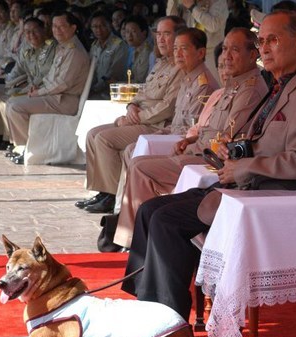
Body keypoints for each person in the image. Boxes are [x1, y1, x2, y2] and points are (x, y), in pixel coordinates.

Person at [120, 10, 296, 323]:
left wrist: (245, 167)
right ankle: (151, 306)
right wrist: (235, 153)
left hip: (269, 195)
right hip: (244, 186)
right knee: (149, 210)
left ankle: (168, 321)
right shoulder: (282, 85)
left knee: (165, 220)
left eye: (272, 40)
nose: (264, 48)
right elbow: (265, 140)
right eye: (261, 41)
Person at [113, 27, 268, 247]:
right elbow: (209, 127)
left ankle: (135, 240)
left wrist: (195, 146)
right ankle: (145, 237)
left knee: (140, 167)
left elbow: (229, 137)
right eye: (224, 49)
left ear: (253, 55)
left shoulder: (249, 89)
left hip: (212, 161)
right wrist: (191, 141)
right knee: (138, 162)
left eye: (235, 50)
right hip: (199, 150)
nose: (227, 56)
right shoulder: (235, 85)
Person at [77, 21, 216, 214]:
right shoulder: (164, 64)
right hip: (153, 122)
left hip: (156, 124)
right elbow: (143, 91)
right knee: (93, 133)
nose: (160, 39)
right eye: (158, 34)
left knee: (105, 140)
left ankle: (117, 198)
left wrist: (137, 117)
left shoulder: (188, 73)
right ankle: (108, 193)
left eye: (166, 34)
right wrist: (131, 105)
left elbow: (168, 109)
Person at [5, 11, 90, 164]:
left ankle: (27, 148)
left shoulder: (74, 51)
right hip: (55, 96)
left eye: (61, 26)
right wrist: (38, 89)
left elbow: (62, 83)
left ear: (73, 28)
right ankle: (23, 147)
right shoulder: (63, 47)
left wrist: (39, 92)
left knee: (15, 107)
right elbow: (51, 77)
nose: (56, 30)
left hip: (65, 100)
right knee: (11, 102)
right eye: (54, 26)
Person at [0, 17, 56, 149]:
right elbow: (17, 70)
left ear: (43, 30)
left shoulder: (50, 49)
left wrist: (20, 88)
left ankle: (11, 141)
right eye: (27, 32)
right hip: (24, 87)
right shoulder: (27, 49)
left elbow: (43, 77)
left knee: (8, 99)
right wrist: (10, 84)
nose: (31, 35)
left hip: (39, 90)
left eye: (35, 31)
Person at [167, 0, 228, 80]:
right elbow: (172, 22)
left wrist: (192, 7)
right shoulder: (184, 3)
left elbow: (214, 25)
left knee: (210, 86)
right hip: (189, 53)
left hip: (210, 54)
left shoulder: (218, 2)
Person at [88, 11, 128, 100]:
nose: (98, 29)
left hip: (111, 93)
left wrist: (94, 89)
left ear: (109, 25)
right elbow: (91, 71)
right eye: (95, 26)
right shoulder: (94, 46)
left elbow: (113, 73)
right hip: (94, 92)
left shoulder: (119, 45)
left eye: (102, 25)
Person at [123, 15, 152, 84]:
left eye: (133, 31)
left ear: (144, 33)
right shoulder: (134, 50)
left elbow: (140, 81)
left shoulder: (147, 53)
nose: (129, 35)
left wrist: (118, 83)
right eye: (127, 32)